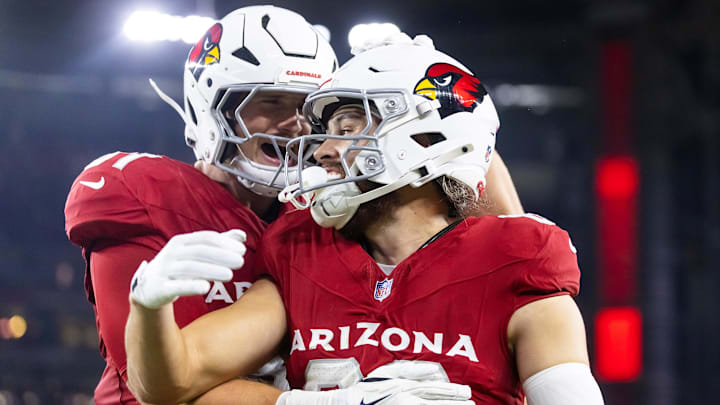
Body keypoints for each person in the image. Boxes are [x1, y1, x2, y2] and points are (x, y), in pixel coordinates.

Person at [124, 38, 604, 404]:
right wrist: (147, 307)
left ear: (423, 137)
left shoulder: (515, 257)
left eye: (348, 129)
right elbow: (173, 384)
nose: (325, 152)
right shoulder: (303, 250)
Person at [64, 6, 338, 404]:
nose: (295, 124)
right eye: (274, 101)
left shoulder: (322, 214)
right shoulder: (142, 195)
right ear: (213, 109)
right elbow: (159, 386)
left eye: (306, 106)